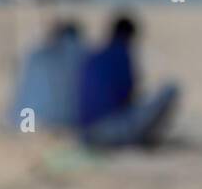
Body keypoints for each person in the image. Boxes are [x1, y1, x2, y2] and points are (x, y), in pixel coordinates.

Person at [76, 13, 180, 148]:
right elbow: (126, 96)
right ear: (129, 35)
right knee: (170, 89)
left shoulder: (94, 56)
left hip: (86, 132)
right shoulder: (121, 54)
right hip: (110, 131)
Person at [7, 20, 86, 131]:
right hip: (69, 121)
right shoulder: (84, 55)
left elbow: (23, 98)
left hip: (33, 121)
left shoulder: (37, 56)